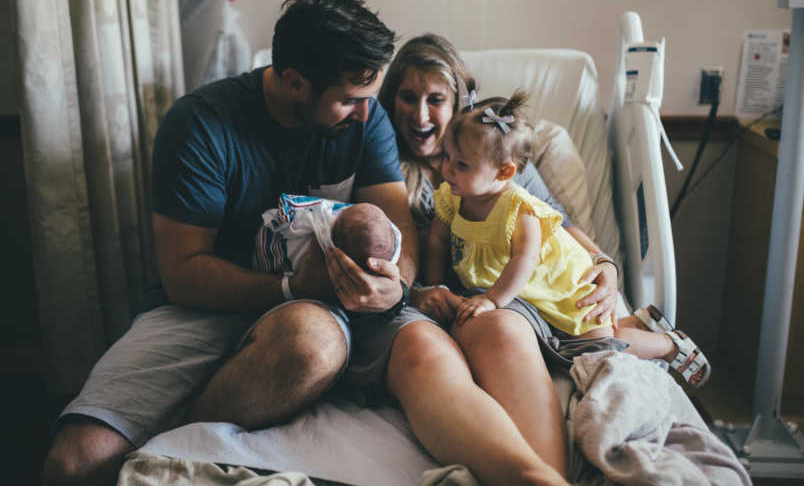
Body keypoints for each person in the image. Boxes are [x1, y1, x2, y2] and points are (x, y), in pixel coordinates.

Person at [41, 0, 418, 486]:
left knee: (313, 345)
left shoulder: (367, 124)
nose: (364, 115)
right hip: (202, 306)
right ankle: (150, 447)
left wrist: (398, 285)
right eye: (349, 100)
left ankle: (163, 452)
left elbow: (402, 233)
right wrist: (290, 286)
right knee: (73, 465)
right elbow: (184, 274)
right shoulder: (200, 124)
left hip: (309, 312)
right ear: (295, 83)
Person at [367, 33, 627, 485]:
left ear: (462, 103)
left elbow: (557, 226)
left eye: (436, 99)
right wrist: (424, 290)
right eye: (407, 98)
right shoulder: (381, 163)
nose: (421, 115)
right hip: (428, 306)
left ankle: (549, 477)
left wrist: (606, 263)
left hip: (495, 304)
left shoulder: (497, 157)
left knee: (503, 328)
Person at [429, 94, 711, 386]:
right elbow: (437, 239)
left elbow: (523, 261)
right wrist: (435, 283)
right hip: (527, 295)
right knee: (558, 343)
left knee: (595, 346)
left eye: (461, 164)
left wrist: (491, 300)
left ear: (505, 171)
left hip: (563, 288)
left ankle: (668, 345)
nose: (447, 169)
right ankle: (641, 322)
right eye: (446, 157)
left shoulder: (519, 209)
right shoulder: (451, 197)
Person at [252, 193, 401, 278]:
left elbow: (298, 210)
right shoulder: (388, 249)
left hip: (270, 247)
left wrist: (285, 215)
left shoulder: (325, 220)